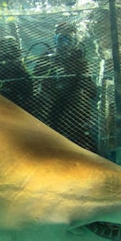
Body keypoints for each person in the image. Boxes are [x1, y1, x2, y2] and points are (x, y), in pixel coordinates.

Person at [32, 21, 98, 151]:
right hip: (49, 112)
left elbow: (92, 92)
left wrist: (80, 75)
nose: (65, 44)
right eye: (61, 39)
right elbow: (33, 83)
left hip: (74, 114)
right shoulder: (46, 58)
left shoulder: (79, 61)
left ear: (75, 41)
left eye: (69, 40)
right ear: (55, 40)